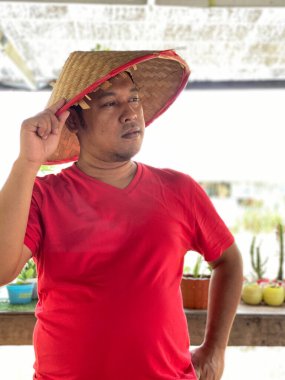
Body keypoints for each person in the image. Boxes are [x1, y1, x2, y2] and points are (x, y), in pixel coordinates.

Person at [0, 49, 243, 380]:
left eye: (135, 99)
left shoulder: (179, 190)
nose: (131, 113)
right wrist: (26, 163)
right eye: (111, 103)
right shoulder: (44, 196)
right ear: (73, 120)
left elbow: (228, 260)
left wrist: (215, 351)